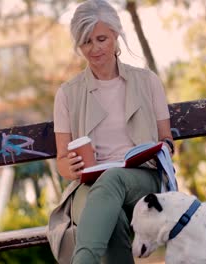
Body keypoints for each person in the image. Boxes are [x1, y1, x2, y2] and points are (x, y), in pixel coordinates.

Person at [47, 0, 174, 263]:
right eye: (86, 42)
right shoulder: (67, 94)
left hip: (143, 178)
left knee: (113, 179)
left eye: (102, 38)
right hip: (90, 186)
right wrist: (70, 168)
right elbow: (62, 160)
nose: (95, 48)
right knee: (110, 213)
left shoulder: (147, 81)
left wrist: (164, 148)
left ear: (116, 34)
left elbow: (167, 139)